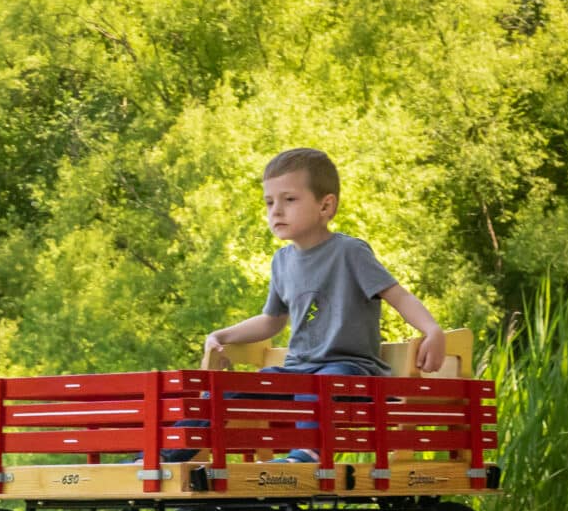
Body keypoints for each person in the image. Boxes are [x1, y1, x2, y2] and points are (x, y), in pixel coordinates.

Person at [165, 148, 445, 465]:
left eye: (289, 200)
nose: (276, 211)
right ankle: (164, 455)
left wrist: (432, 330)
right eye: (269, 202)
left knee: (318, 385)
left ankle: (309, 453)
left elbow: (399, 296)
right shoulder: (282, 261)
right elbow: (272, 320)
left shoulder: (350, 252)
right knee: (227, 388)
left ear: (325, 206)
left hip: (349, 371)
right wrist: (222, 335)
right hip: (298, 370)